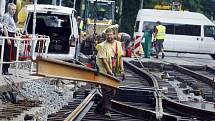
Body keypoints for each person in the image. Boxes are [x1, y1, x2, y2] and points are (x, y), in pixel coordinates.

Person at [95, 28, 124, 117]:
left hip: (114, 70)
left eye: (111, 34)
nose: (109, 36)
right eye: (108, 35)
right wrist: (109, 72)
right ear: (105, 36)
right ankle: (107, 111)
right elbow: (103, 61)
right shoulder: (102, 46)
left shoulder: (118, 44)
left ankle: (99, 109)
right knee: (107, 91)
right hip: (104, 72)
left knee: (113, 92)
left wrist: (122, 70)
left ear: (114, 35)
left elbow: (120, 58)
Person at [2, 3, 16, 75]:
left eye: (15, 9)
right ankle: (4, 70)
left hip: (11, 35)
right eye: (12, 9)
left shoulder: (11, 16)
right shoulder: (7, 16)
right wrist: (8, 38)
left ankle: (6, 69)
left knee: (10, 53)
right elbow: (5, 27)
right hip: (9, 35)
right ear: (9, 9)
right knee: (7, 53)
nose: (14, 11)